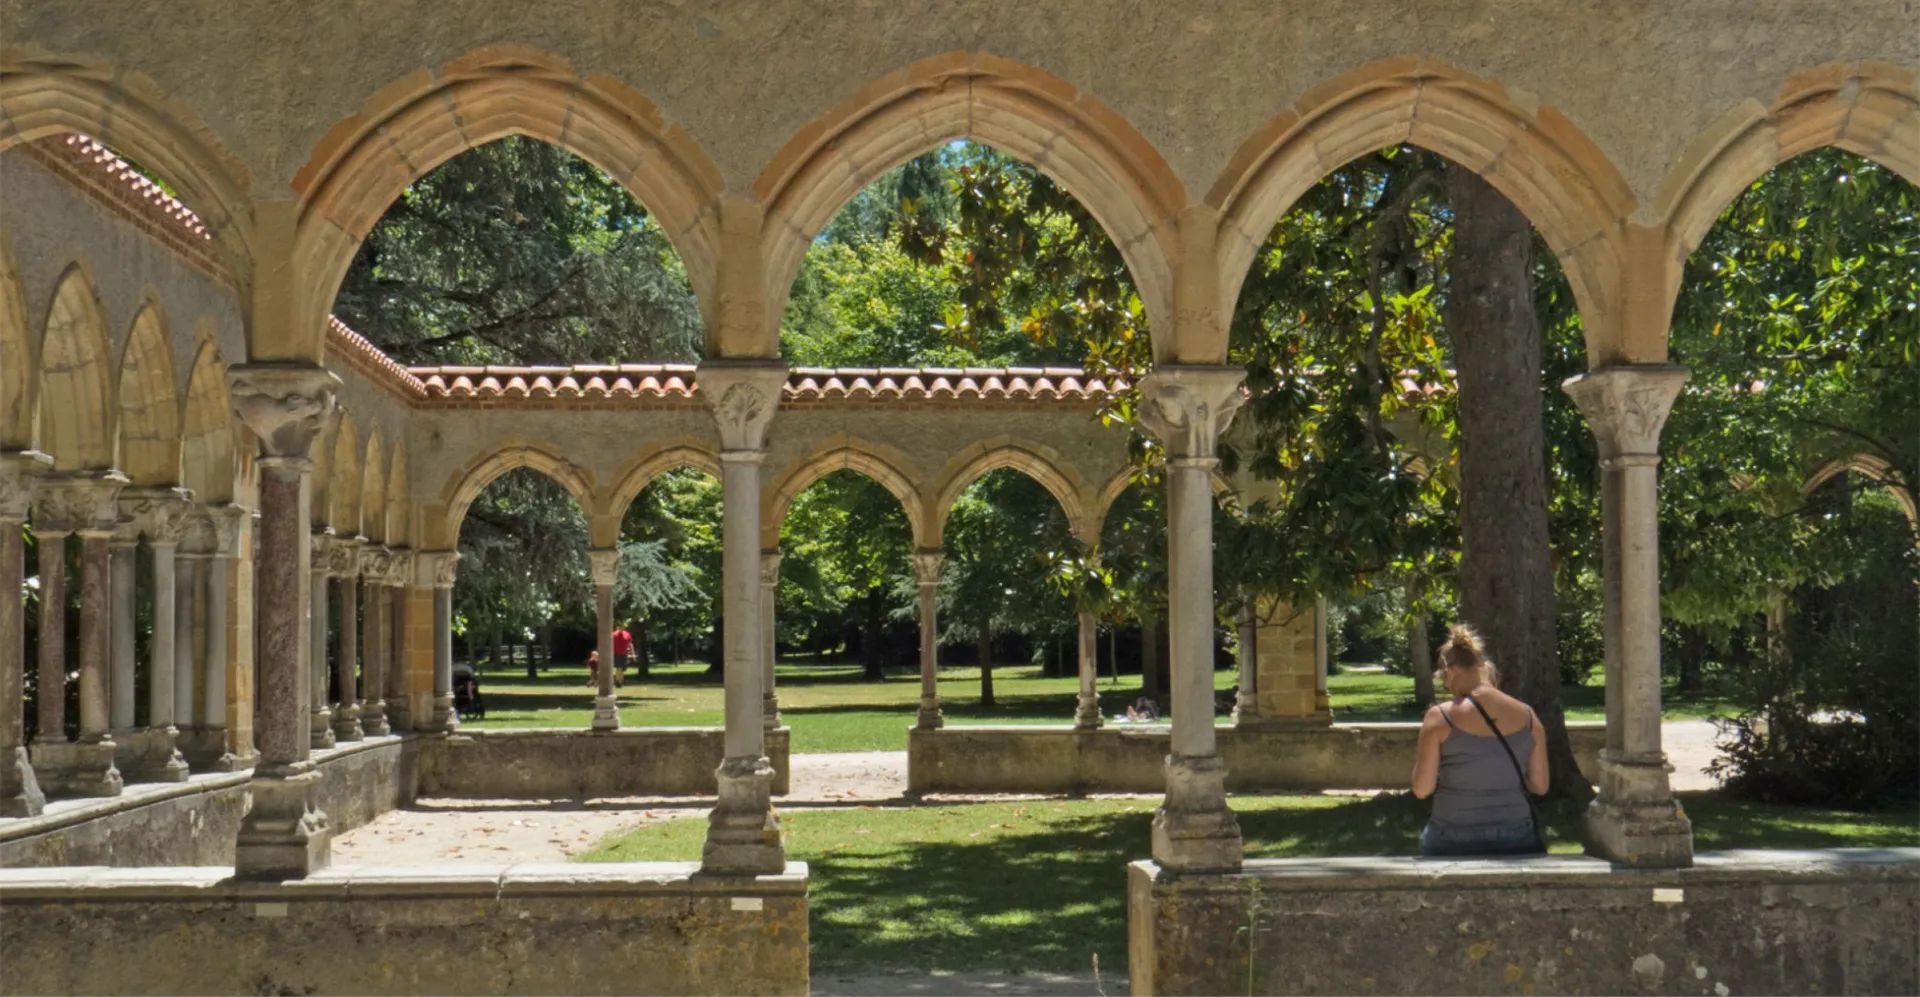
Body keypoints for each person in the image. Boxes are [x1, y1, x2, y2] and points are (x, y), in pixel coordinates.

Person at [1410, 624, 1550, 856]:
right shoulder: (1527, 715)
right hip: (1515, 833)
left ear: (1452, 670)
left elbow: (1422, 789)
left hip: (1451, 834)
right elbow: (1540, 786)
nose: (1446, 685)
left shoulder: (1440, 716)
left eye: (1443, 678)